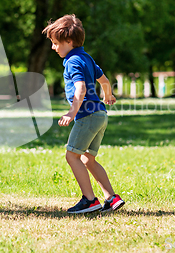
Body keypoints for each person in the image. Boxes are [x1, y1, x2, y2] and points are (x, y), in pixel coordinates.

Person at [42, 14, 125, 214]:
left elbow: (80, 89)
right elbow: (104, 81)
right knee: (88, 159)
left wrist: (72, 112)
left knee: (72, 156)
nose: (54, 48)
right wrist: (109, 96)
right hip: (100, 115)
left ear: (69, 41)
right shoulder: (87, 58)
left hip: (87, 116)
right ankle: (111, 198)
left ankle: (90, 200)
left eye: (55, 43)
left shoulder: (72, 61)